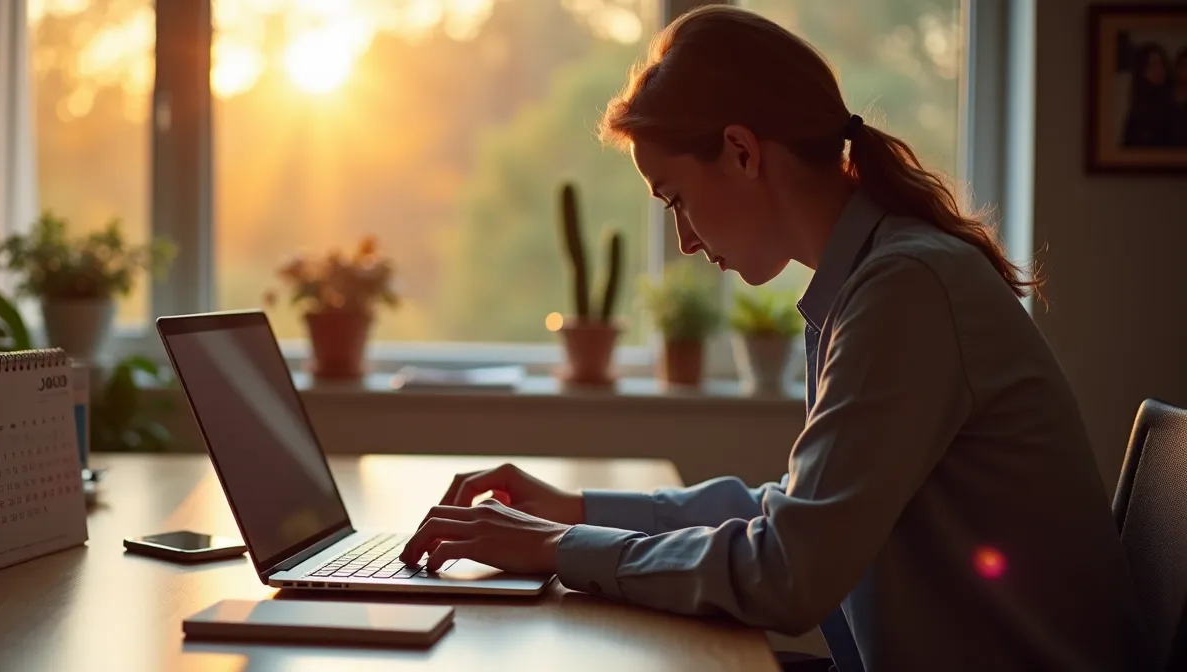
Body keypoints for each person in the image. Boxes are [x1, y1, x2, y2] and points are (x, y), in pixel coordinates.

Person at [399, 6, 1146, 671]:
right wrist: (575, 511)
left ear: (743, 151)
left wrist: (555, 550)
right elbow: (792, 510)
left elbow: (786, 572)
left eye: (677, 199)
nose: (684, 240)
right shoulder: (878, 278)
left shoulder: (905, 290)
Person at [1121, 42, 1173, 148]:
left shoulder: (1172, 101)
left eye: (1161, 65)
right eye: (1152, 66)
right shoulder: (1137, 107)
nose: (1158, 70)